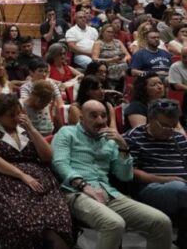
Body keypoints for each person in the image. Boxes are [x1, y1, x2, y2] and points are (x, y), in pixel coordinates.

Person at [52, 99, 173, 249]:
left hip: (108, 193)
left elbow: (125, 176)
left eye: (103, 116)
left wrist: (123, 147)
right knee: (114, 224)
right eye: (94, 116)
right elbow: (59, 163)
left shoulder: (110, 140)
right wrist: (83, 185)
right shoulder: (66, 132)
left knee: (161, 222)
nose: (100, 120)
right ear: (82, 118)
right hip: (75, 192)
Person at [0, 94, 72, 249]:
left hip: (39, 180)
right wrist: (22, 175)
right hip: (3, 180)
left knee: (56, 219)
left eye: (18, 113)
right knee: (22, 221)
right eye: (10, 115)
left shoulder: (25, 130)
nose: (16, 118)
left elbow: (47, 157)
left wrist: (31, 129)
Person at [123, 99, 187, 247]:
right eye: (164, 125)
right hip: (150, 188)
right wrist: (165, 180)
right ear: (151, 119)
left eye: (173, 126)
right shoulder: (134, 137)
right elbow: (129, 171)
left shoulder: (178, 138)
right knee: (178, 188)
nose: (169, 130)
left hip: (181, 187)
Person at [91, 24, 131, 91]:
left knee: (127, 66)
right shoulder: (98, 43)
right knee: (125, 68)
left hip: (121, 64)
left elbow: (128, 55)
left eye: (112, 32)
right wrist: (111, 60)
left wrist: (123, 60)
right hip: (106, 66)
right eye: (108, 32)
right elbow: (94, 59)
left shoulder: (118, 42)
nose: (110, 34)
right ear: (103, 32)